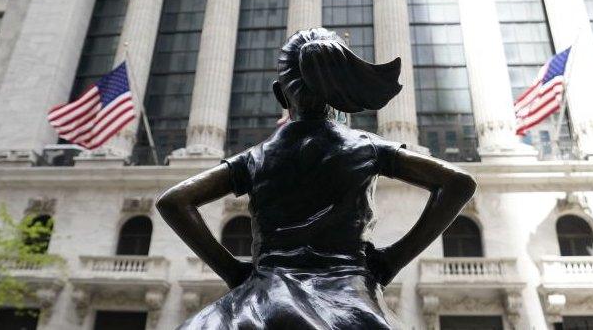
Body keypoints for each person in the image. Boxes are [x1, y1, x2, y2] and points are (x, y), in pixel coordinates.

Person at [157, 28, 476, 329]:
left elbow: (174, 201)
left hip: (264, 297)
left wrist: (234, 272)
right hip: (347, 300)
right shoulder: (367, 148)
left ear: (280, 95)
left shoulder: (256, 158)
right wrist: (392, 261)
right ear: (339, 93)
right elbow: (458, 183)